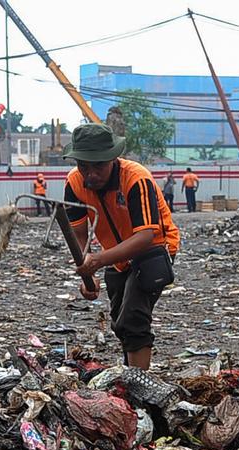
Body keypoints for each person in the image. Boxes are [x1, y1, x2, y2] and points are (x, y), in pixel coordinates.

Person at [62, 123, 180, 370]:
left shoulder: (136, 179)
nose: (90, 173)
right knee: (119, 321)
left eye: (98, 166)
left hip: (154, 248)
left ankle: (139, 384)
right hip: (115, 254)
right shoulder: (74, 182)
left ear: (112, 159)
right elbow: (78, 231)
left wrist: (99, 260)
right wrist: (88, 274)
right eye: (84, 165)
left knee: (134, 317)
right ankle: (131, 372)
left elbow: (146, 235)